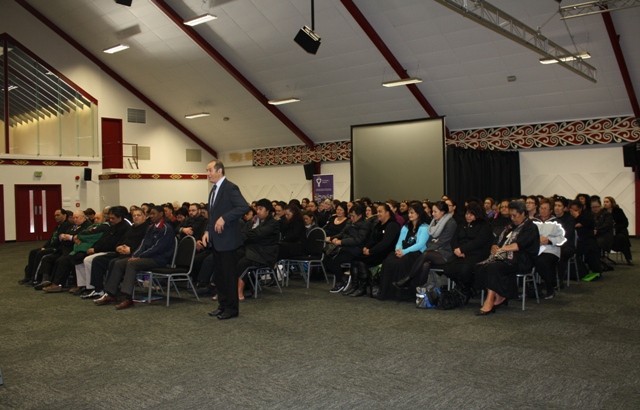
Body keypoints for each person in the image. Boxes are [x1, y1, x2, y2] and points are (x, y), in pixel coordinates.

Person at [94, 206, 175, 309]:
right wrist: (135, 255)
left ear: (161, 214)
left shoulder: (166, 229)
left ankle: (127, 298)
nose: (151, 216)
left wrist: (140, 257)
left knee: (132, 264)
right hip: (146, 257)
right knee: (119, 263)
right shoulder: (151, 228)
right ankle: (110, 294)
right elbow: (143, 245)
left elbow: (158, 248)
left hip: (158, 259)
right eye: (150, 214)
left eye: (153, 214)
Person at [474, 200, 540, 316]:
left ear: (523, 213)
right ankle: (500, 295)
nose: (512, 218)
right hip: (506, 258)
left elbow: (519, 245)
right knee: (481, 266)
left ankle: (490, 300)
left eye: (515, 215)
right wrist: (494, 247)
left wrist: (502, 249)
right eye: (511, 216)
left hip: (523, 259)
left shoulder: (530, 227)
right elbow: (498, 240)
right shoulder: (509, 227)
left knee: (494, 268)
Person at [202, 160, 249, 320]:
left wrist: (224, 218)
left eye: (210, 170)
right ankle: (222, 305)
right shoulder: (214, 190)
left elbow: (243, 207)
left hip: (228, 240)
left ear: (219, 170)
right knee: (220, 276)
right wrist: (207, 231)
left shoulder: (230, 187)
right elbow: (212, 215)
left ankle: (232, 308)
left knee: (228, 276)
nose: (207, 174)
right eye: (207, 170)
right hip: (216, 240)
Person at [392, 201, 457, 289]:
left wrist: (427, 249)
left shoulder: (450, 223)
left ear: (442, 212)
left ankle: (408, 279)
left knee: (425, 254)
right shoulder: (435, 222)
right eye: (432, 211)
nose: (432, 214)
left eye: (435, 211)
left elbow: (442, 241)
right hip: (433, 251)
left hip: (445, 252)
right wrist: (429, 248)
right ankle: (419, 289)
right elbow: (429, 241)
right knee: (425, 264)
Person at [344, 204, 401, 297]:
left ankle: (362, 288)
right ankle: (354, 286)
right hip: (375, 250)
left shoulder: (392, 225)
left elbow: (385, 243)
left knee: (363, 262)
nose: (378, 214)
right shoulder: (379, 225)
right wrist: (366, 247)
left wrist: (371, 251)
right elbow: (372, 239)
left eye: (380, 211)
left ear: (387, 213)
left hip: (386, 252)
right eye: (377, 211)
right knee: (355, 260)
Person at [378, 202, 430, 301]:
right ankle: (387, 292)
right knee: (388, 261)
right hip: (404, 250)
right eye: (409, 212)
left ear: (418, 214)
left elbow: (420, 244)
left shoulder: (424, 227)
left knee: (402, 262)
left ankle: (402, 294)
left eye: (412, 213)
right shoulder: (406, 226)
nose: (409, 215)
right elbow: (399, 241)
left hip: (416, 252)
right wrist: (398, 250)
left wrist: (404, 252)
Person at [442, 202, 493, 297]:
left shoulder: (485, 226)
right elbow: (454, 240)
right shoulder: (462, 224)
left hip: (476, 253)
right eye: (467, 214)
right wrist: (457, 249)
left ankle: (467, 289)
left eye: (471, 214)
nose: (468, 216)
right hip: (460, 253)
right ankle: (464, 287)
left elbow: (478, 242)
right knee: (448, 268)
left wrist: (462, 249)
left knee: (464, 269)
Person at [236, 199, 281, 298]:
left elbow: (258, 233)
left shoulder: (273, 223)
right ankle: (226, 288)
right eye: (257, 209)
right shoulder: (253, 221)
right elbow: (243, 233)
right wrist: (248, 235)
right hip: (252, 250)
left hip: (265, 254)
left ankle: (239, 292)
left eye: (261, 209)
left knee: (243, 263)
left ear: (267, 210)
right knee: (232, 256)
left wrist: (247, 235)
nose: (258, 211)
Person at [326, 204, 371, 293]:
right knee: (327, 257)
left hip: (356, 250)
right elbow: (342, 233)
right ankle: (342, 278)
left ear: (360, 215)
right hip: (345, 247)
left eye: (353, 216)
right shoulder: (350, 222)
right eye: (350, 216)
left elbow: (359, 240)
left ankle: (341, 281)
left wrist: (341, 242)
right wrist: (333, 238)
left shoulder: (365, 224)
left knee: (335, 260)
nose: (351, 218)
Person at [20, 208, 72, 285]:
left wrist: (46, 248)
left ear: (64, 215)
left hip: (57, 248)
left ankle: (36, 279)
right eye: (55, 215)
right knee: (33, 252)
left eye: (58, 215)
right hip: (51, 246)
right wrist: (44, 247)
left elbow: (58, 241)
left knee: (40, 254)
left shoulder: (66, 225)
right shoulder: (58, 227)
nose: (56, 217)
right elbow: (51, 239)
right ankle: (28, 277)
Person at [533, 198, 566, 299]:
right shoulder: (533, 222)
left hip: (551, 249)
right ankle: (532, 287)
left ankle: (549, 288)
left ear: (550, 210)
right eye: (541, 208)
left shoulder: (557, 223)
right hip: (535, 249)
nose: (543, 211)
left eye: (545, 209)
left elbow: (563, 239)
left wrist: (549, 240)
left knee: (542, 262)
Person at [569, 200, 602, 281]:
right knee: (572, 252)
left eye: (576, 210)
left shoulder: (587, 215)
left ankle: (597, 271)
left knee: (591, 248)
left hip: (586, 239)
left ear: (580, 209)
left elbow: (590, 224)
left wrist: (578, 217)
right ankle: (582, 271)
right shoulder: (568, 216)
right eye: (572, 210)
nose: (573, 212)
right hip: (573, 241)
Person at [604, 196, 632, 265]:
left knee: (622, 238)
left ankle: (628, 258)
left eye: (607, 202)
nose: (605, 203)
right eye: (604, 202)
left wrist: (615, 228)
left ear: (611, 203)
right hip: (606, 232)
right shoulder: (602, 212)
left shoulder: (618, 211)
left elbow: (625, 223)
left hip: (618, 231)